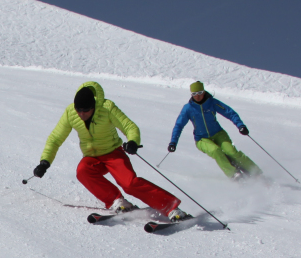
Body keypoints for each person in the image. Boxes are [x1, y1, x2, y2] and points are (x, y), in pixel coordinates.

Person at [33, 82, 190, 219]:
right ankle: (117, 200)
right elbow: (55, 138)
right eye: (79, 110)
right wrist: (45, 162)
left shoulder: (107, 108)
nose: (82, 114)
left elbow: (129, 126)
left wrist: (133, 142)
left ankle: (171, 207)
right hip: (92, 157)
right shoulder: (70, 113)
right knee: (83, 172)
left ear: (93, 106)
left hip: (113, 153)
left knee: (129, 183)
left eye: (86, 110)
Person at [167, 81, 261, 180]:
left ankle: (256, 172)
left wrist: (240, 125)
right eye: (194, 94)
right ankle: (234, 175)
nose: (197, 96)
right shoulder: (188, 108)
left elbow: (230, 112)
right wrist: (173, 142)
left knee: (232, 152)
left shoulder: (212, 103)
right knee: (216, 151)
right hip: (202, 139)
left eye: (199, 93)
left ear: (203, 92)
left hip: (218, 134)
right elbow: (179, 125)